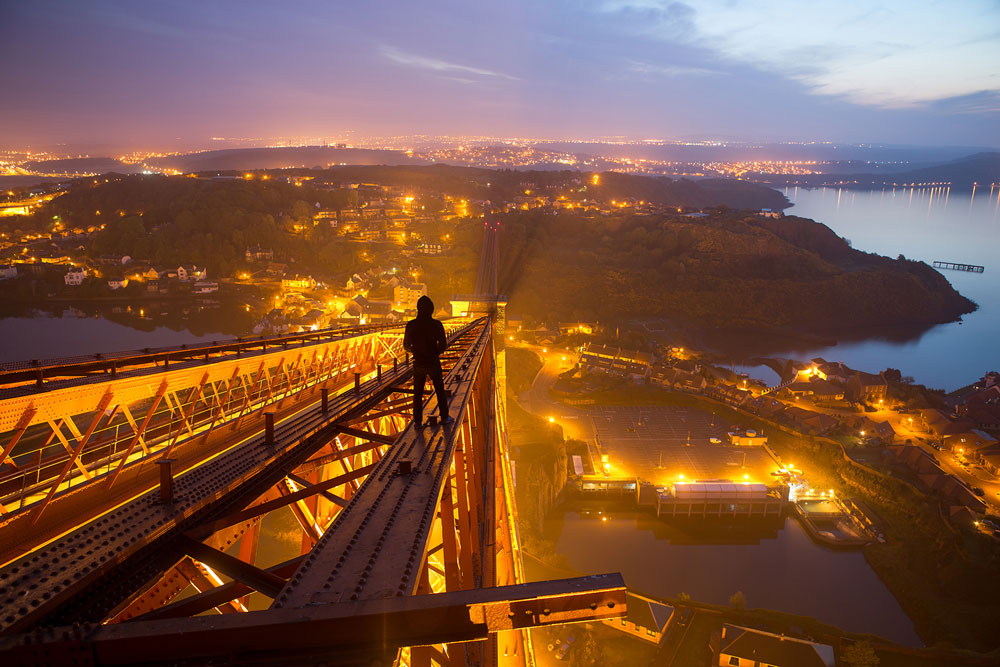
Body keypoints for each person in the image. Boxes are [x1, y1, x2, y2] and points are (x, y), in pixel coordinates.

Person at [403, 295, 451, 426]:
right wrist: (434, 353)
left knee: (417, 393)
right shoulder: (436, 325)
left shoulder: (411, 325)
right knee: (439, 390)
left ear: (418, 309)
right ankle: (445, 417)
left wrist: (416, 352)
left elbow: (406, 345)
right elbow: (443, 345)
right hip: (433, 362)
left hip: (418, 363)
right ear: (431, 310)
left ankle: (418, 421)